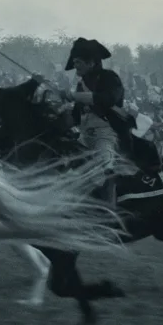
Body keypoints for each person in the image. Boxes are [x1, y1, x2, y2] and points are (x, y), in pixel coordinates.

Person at [57, 37, 129, 205]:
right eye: (75, 62)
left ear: (91, 63)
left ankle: (111, 209)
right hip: (84, 136)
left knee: (105, 169)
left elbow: (107, 99)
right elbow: (76, 117)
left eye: (78, 62)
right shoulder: (81, 84)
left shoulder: (110, 78)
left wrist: (73, 96)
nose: (75, 65)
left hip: (107, 134)